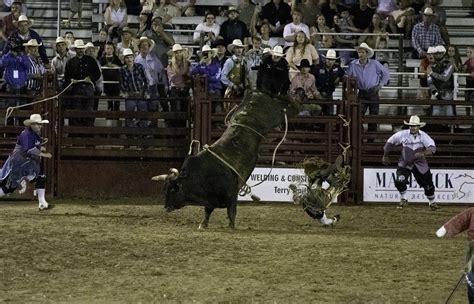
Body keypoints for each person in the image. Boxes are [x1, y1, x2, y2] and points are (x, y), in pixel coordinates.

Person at [382, 115, 440, 210]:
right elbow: (389, 142)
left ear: (418, 127)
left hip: (420, 164)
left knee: (428, 185)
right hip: (405, 163)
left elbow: (433, 148)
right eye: (411, 126)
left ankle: (432, 202)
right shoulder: (402, 134)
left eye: (415, 126)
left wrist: (423, 153)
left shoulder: (424, 136)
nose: (412, 128)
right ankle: (404, 198)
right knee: (399, 181)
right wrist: (385, 155)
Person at [0, 113, 53, 211]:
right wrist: (44, 154)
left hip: (27, 163)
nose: (39, 126)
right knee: (8, 187)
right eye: (37, 124)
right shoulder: (26, 134)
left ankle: (42, 203)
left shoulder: (35, 135)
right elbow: (29, 149)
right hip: (17, 163)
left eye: (40, 124)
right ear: (31, 125)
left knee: (40, 178)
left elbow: (34, 146)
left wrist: (40, 147)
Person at [345, 42, 390, 133]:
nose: (360, 54)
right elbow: (347, 77)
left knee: (373, 116)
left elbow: (386, 73)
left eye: (362, 52)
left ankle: (371, 138)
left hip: (372, 91)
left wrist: (380, 85)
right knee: (358, 115)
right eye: (359, 52)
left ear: (366, 53)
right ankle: (360, 136)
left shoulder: (374, 63)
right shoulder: (353, 64)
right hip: (362, 91)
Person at [63, 39, 102, 128]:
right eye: (78, 49)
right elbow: (67, 77)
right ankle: (77, 134)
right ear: (75, 50)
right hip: (76, 88)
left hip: (88, 87)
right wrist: (71, 80)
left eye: (81, 48)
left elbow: (97, 74)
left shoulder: (91, 60)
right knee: (76, 111)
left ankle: (87, 133)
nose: (80, 50)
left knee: (88, 110)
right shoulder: (70, 62)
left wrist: (90, 78)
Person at [119, 48, 149, 128]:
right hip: (130, 95)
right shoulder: (122, 70)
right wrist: (124, 92)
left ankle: (143, 132)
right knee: (129, 115)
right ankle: (130, 134)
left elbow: (146, 80)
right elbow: (121, 83)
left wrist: (146, 92)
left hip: (140, 93)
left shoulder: (139, 67)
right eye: (127, 57)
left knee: (143, 114)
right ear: (124, 59)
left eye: (130, 57)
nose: (129, 59)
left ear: (133, 57)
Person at [312, 49, 344, 115]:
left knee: (329, 114)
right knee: (317, 113)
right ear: (325, 59)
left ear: (335, 60)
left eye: (332, 60)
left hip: (329, 94)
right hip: (318, 94)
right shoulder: (318, 68)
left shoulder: (337, 68)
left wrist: (339, 77)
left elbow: (342, 74)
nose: (330, 61)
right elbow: (311, 79)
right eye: (328, 59)